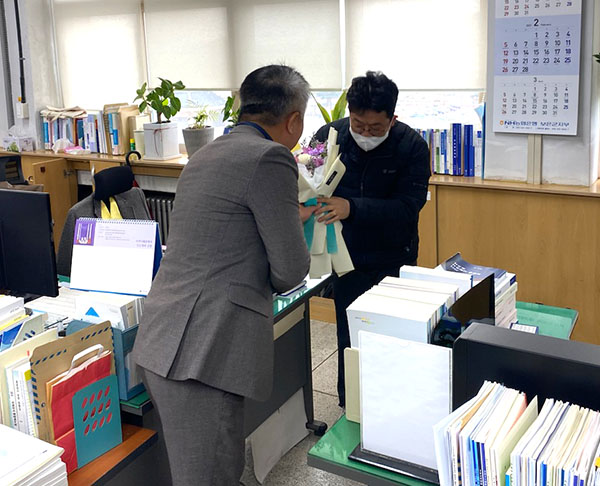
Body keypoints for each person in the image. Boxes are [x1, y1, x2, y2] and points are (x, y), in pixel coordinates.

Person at [132, 65, 315, 486]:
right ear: (294, 121)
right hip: (201, 352)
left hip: (166, 336)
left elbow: (223, 235)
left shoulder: (208, 151)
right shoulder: (271, 157)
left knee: (204, 469)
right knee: (210, 476)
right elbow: (290, 272)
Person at [313, 71, 431, 407]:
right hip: (346, 258)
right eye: (358, 124)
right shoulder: (329, 136)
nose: (365, 133)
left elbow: (408, 209)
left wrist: (352, 208)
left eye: (375, 128)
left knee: (393, 338)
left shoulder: (412, 146)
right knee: (350, 336)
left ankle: (393, 406)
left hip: (393, 257)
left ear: (392, 119)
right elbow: (309, 181)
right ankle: (350, 404)